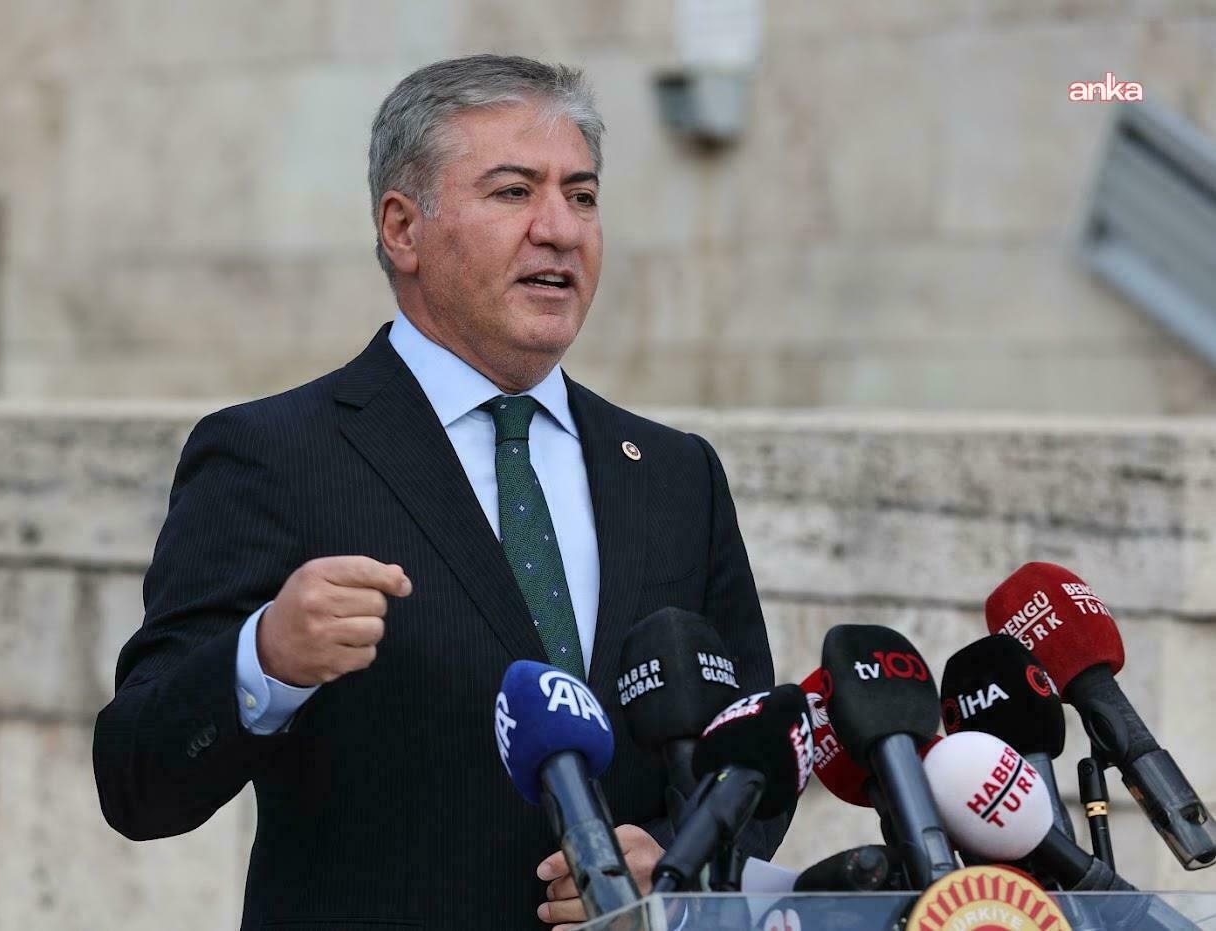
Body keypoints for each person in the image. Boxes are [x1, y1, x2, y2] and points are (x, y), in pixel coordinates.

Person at [94, 54, 786, 931]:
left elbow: (753, 754)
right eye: (512, 191)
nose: (559, 229)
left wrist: (676, 862)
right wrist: (262, 658)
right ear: (402, 229)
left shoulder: (675, 472)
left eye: (581, 195)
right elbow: (137, 780)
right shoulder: (273, 455)